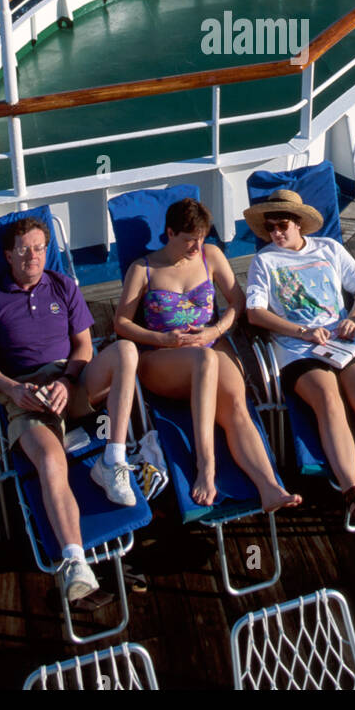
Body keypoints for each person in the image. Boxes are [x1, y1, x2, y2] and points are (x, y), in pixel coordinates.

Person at [0, 216, 139, 602]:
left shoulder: (63, 286)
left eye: (40, 248)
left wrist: (66, 380)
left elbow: (84, 346)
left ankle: (112, 461)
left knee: (126, 350)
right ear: (9, 254)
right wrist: (13, 388)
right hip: (27, 396)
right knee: (50, 460)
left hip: (70, 383)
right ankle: (76, 562)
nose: (33, 256)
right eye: (24, 249)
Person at [244, 189, 355, 526]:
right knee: (329, 399)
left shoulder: (329, 249)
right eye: (270, 228)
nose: (276, 233)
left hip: (344, 340)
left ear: (299, 224)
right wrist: (300, 332)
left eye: (282, 225)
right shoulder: (265, 261)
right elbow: (255, 313)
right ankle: (352, 491)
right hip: (298, 348)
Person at [113, 197, 301, 513]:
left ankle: (270, 488)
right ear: (169, 233)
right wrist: (161, 337)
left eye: (200, 238)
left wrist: (215, 331)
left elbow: (236, 302)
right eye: (188, 240)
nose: (195, 246)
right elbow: (121, 323)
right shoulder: (143, 269)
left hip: (210, 344)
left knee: (238, 408)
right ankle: (206, 465)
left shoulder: (209, 255)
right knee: (205, 360)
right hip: (162, 357)